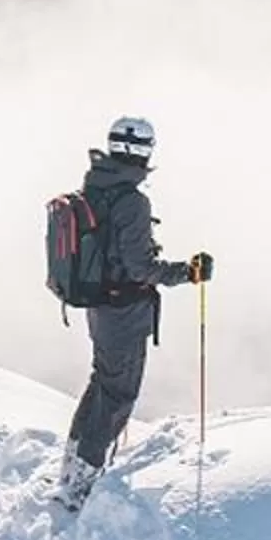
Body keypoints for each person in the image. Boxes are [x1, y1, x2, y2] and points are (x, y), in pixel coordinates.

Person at [57, 114, 212, 509]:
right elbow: (140, 267)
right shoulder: (131, 201)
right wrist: (187, 272)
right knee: (117, 395)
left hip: (99, 305)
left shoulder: (95, 186)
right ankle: (81, 488)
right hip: (123, 311)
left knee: (102, 385)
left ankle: (73, 471)